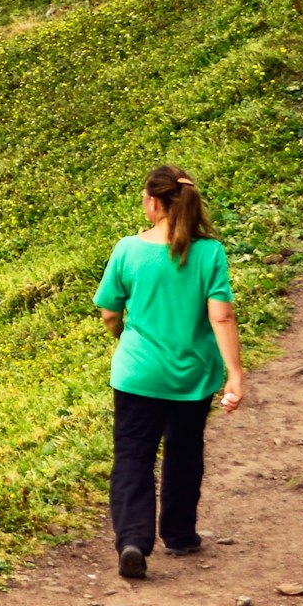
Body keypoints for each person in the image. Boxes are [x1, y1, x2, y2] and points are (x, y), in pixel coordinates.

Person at [93, 165, 243, 580]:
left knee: (133, 455)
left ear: (154, 203)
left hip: (137, 373)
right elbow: (223, 316)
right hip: (192, 376)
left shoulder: (128, 249)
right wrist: (234, 373)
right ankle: (178, 534)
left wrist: (125, 338)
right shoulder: (209, 253)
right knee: (184, 450)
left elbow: (110, 311)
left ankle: (133, 541)